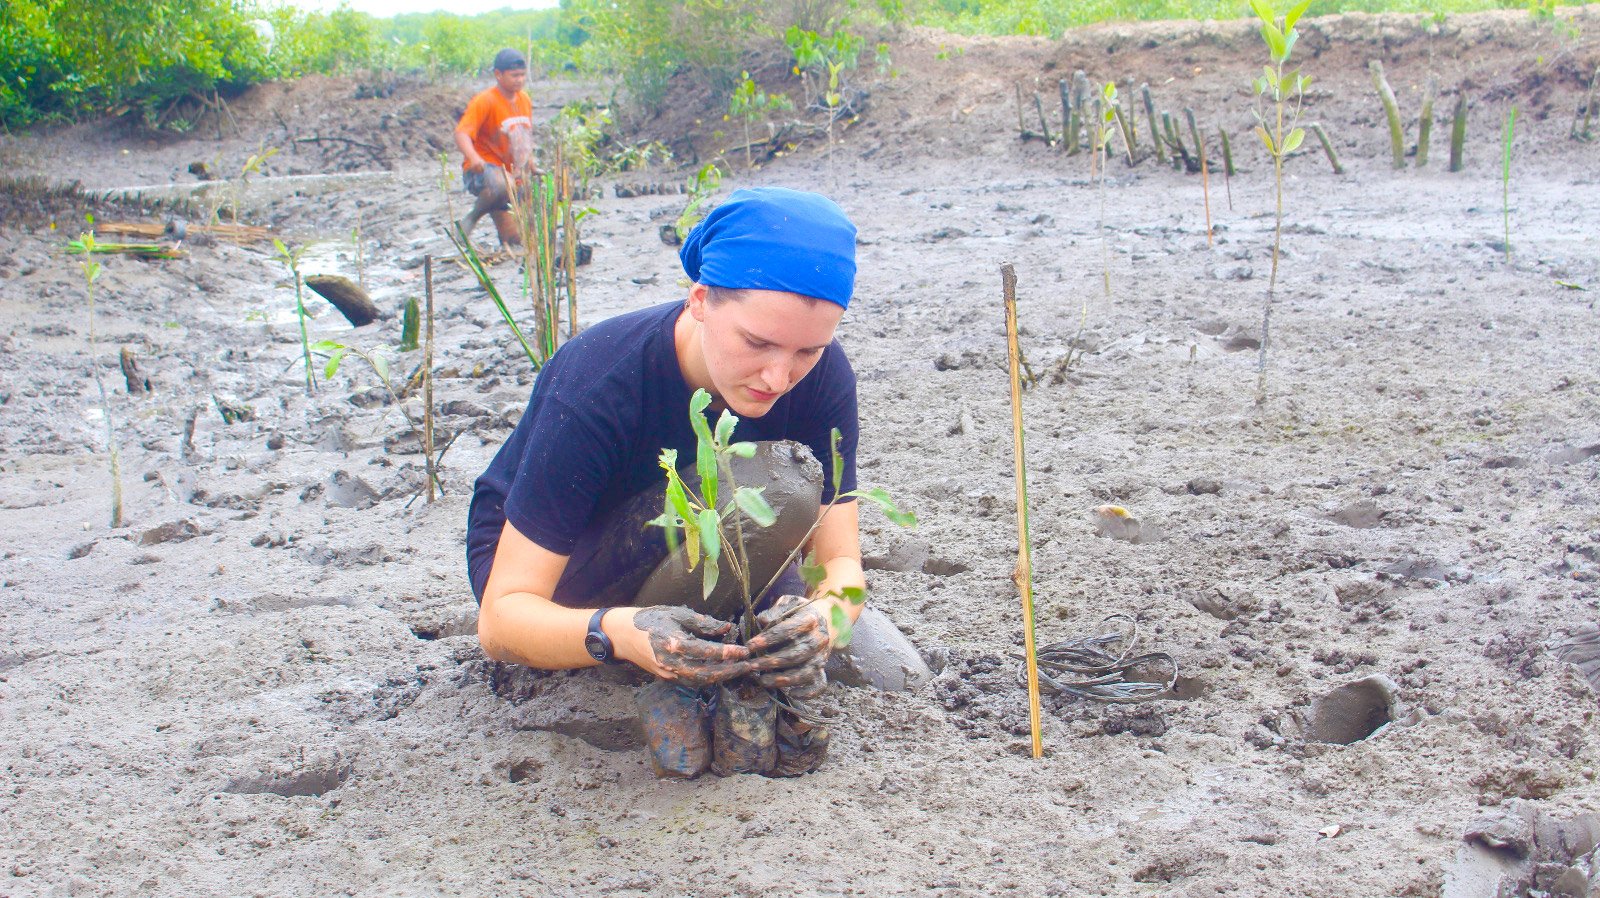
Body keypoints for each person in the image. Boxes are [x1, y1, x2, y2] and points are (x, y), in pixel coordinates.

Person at [468, 187, 868, 775]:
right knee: (782, 485)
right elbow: (500, 621)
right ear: (701, 300)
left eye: (808, 350)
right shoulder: (599, 381)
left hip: (716, 542)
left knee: (787, 510)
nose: (779, 377)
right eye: (756, 343)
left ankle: (714, 651)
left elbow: (844, 566)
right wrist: (620, 634)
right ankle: (664, 659)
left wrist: (825, 621)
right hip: (559, 578)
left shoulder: (824, 378)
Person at [453, 48, 536, 247]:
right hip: (483, 173)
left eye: (522, 75)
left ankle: (508, 233)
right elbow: (461, 133)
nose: (519, 80)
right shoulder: (485, 101)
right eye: (514, 75)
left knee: (517, 240)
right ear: (498, 75)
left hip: (508, 177)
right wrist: (473, 158)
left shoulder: (524, 100)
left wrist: (529, 163)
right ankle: (472, 217)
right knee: (502, 184)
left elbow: (524, 137)